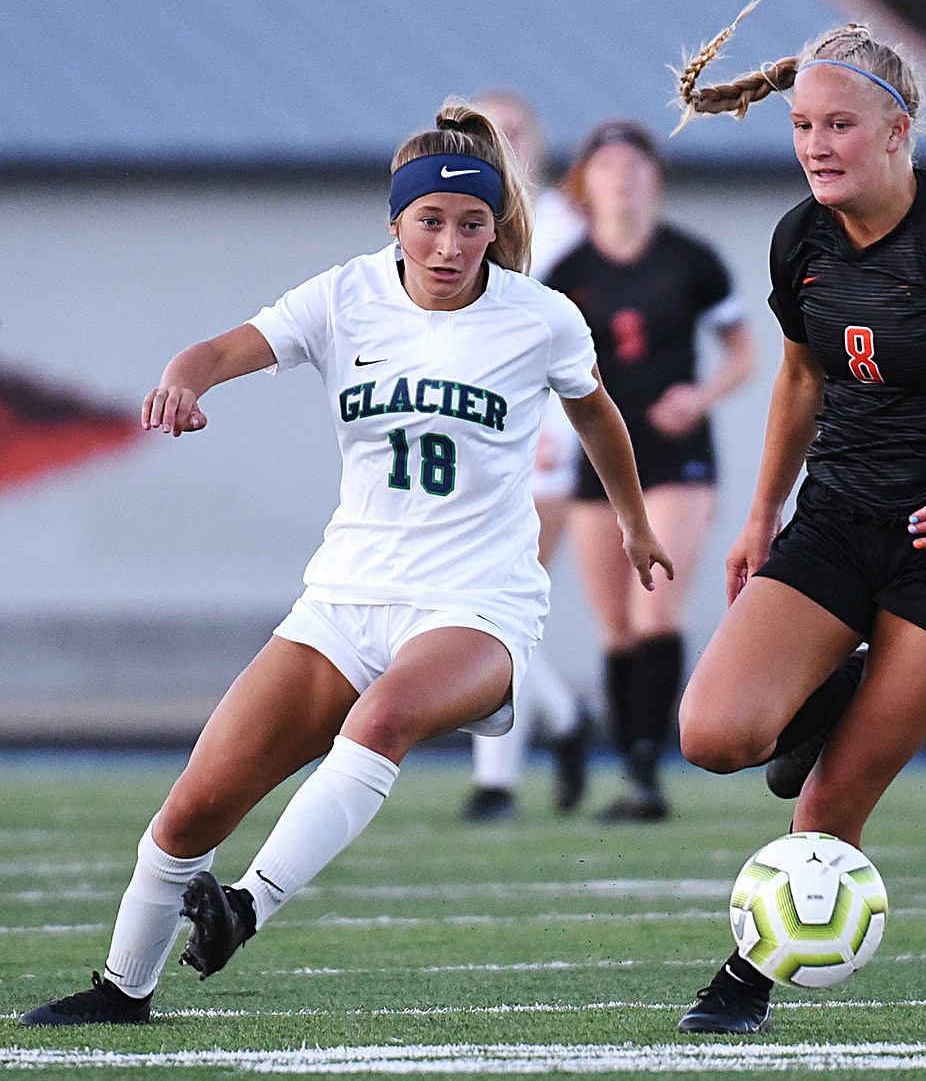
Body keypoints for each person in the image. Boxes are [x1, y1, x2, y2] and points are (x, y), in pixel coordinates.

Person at [19, 98, 673, 1027]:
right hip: (345, 598)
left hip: (476, 604)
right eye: (430, 223)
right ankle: (122, 989)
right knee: (194, 809)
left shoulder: (541, 316)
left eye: (472, 225)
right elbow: (218, 349)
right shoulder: (343, 295)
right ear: (395, 224)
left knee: (387, 716)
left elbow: (596, 413)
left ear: (497, 227)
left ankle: (247, 905)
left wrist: (635, 522)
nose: (450, 246)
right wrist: (180, 381)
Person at [668, 11, 926, 1034]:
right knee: (715, 735)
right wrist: (759, 512)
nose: (817, 144)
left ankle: (745, 981)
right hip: (839, 517)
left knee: (831, 805)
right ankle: (840, 675)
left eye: (840, 126)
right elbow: (800, 378)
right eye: (804, 125)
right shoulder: (800, 239)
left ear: (898, 132)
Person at [545, 121, 756, 822]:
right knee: (615, 627)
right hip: (601, 459)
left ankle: (646, 771)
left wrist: (701, 395)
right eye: (607, 165)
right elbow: (529, 369)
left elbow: (743, 354)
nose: (623, 177)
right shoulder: (569, 274)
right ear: (585, 181)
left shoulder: (691, 260)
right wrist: (539, 438)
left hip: (676, 458)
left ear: (655, 178)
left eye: (636, 165)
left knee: (654, 606)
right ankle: (632, 762)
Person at [460, 90, 591, 822]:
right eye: (486, 131)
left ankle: (496, 779)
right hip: (462, 432)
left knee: (496, 597)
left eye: (513, 130)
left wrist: (554, 421)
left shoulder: (569, 230)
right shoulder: (445, 225)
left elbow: (575, 343)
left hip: (541, 432)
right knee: (467, 597)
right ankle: (566, 720)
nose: (500, 141)